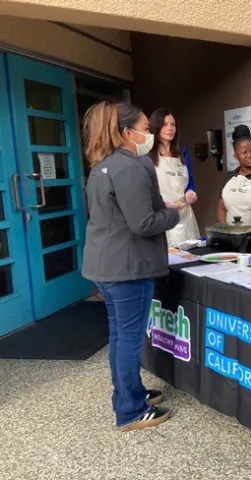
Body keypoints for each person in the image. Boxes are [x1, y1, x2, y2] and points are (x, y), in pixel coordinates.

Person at [82, 101, 180, 431]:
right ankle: (129, 410)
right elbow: (144, 222)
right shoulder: (133, 167)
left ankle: (130, 393)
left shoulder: (101, 165)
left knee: (119, 336)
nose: (148, 134)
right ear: (127, 132)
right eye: (146, 129)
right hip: (127, 268)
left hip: (106, 265)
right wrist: (173, 212)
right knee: (128, 339)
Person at [148, 108, 200, 245]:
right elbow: (144, 189)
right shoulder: (147, 156)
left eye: (173, 124)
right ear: (156, 127)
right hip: (162, 214)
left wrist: (190, 192)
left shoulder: (182, 153)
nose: (170, 128)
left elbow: (190, 181)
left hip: (185, 214)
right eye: (165, 124)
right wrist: (160, 203)